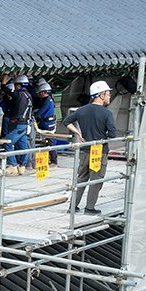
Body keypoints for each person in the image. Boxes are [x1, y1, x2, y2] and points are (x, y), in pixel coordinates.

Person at [62, 80, 118, 214]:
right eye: (108, 94)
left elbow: (66, 121)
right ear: (101, 95)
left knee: (81, 177)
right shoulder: (107, 113)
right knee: (96, 180)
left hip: (85, 149)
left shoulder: (82, 110)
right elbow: (112, 134)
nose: (109, 96)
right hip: (99, 151)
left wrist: (78, 132)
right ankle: (90, 207)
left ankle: (73, 206)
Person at [3, 75, 34, 174]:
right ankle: (22, 166)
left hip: (18, 124)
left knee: (7, 142)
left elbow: (6, 90)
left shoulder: (19, 95)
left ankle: (13, 165)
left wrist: (3, 82)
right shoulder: (28, 95)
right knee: (23, 146)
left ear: (19, 85)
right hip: (25, 124)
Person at [33, 79, 59, 165]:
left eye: (40, 92)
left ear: (44, 92)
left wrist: (33, 115)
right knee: (49, 141)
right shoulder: (49, 99)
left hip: (47, 124)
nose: (39, 94)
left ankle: (53, 160)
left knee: (50, 141)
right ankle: (51, 159)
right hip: (49, 123)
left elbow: (41, 112)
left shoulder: (47, 101)